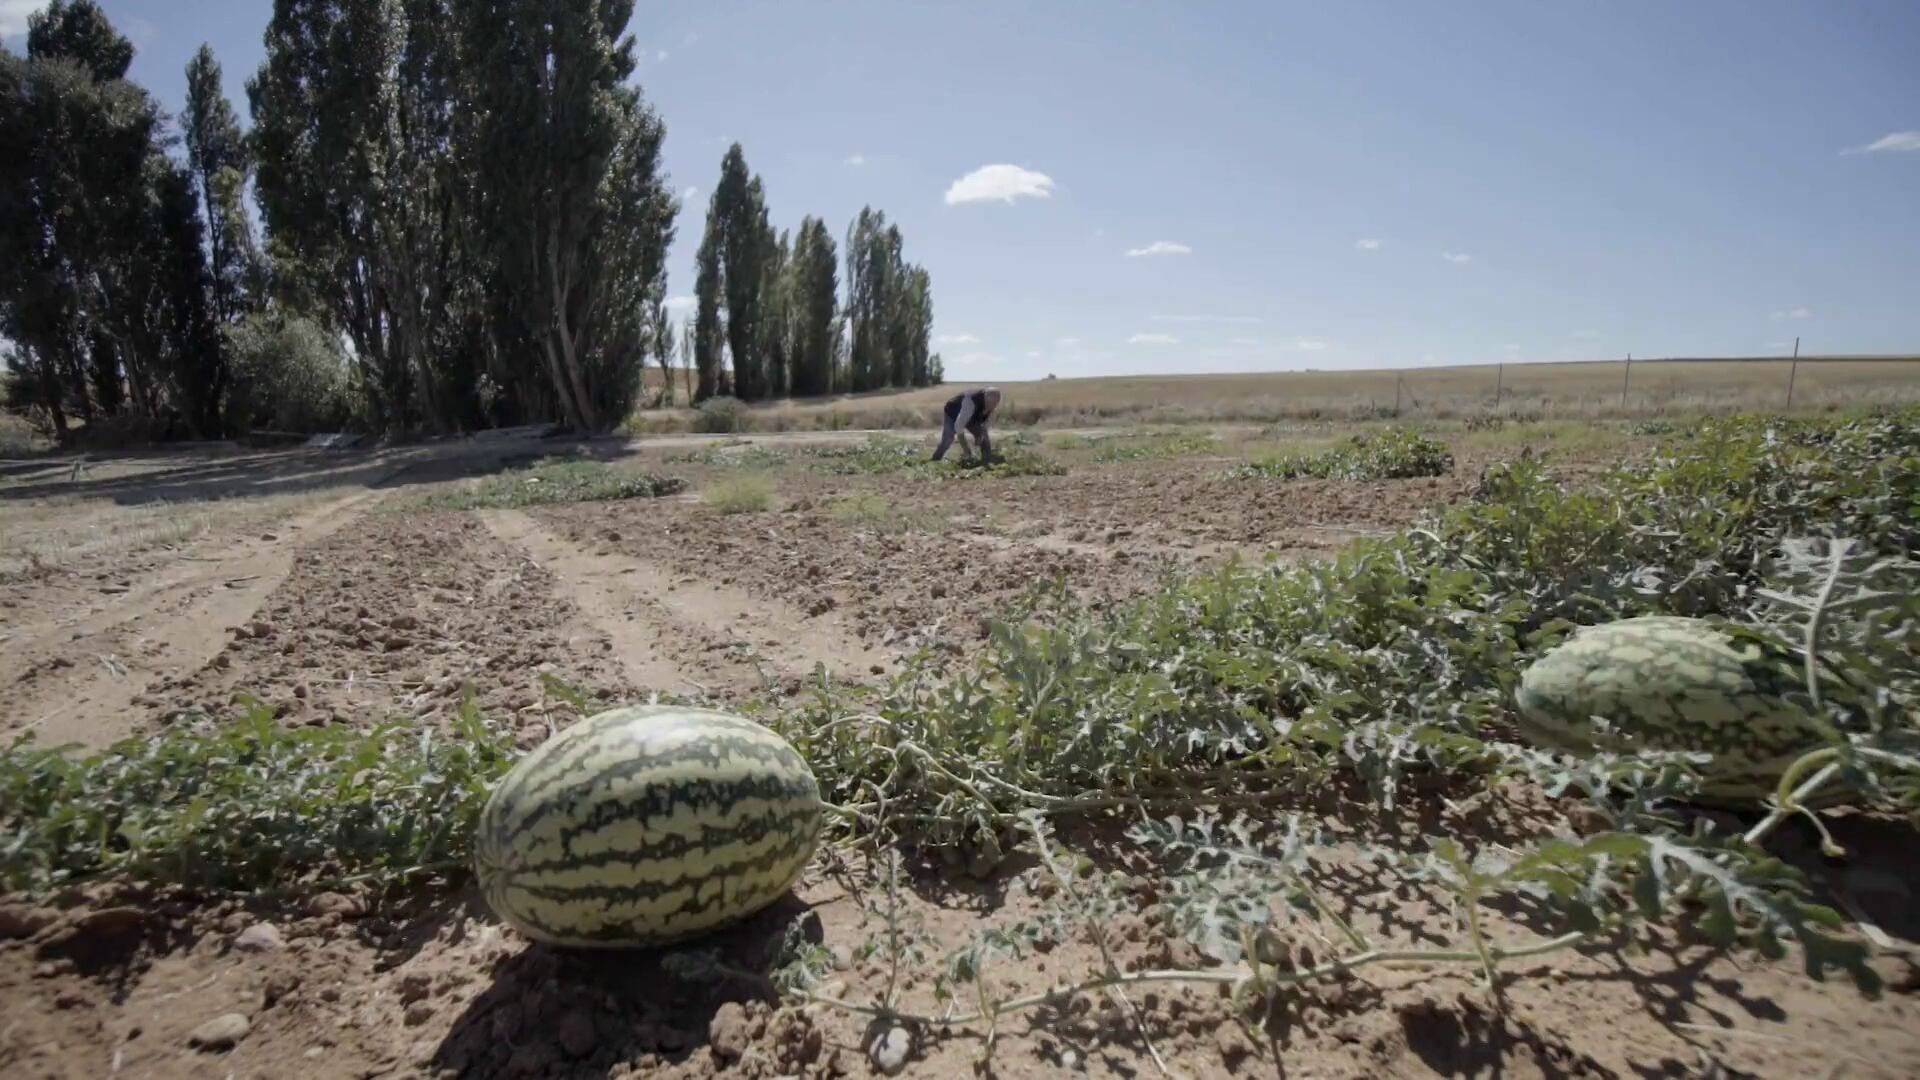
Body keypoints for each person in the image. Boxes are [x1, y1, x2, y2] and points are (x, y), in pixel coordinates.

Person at [931, 386, 1002, 465]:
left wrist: (979, 436)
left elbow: (985, 424)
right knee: (948, 439)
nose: (992, 407)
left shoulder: (992, 403)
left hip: (972, 415)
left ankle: (986, 461)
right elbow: (959, 427)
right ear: (985, 398)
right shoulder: (970, 402)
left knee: (984, 436)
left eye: (995, 404)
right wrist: (966, 449)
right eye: (990, 404)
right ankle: (935, 460)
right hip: (952, 412)